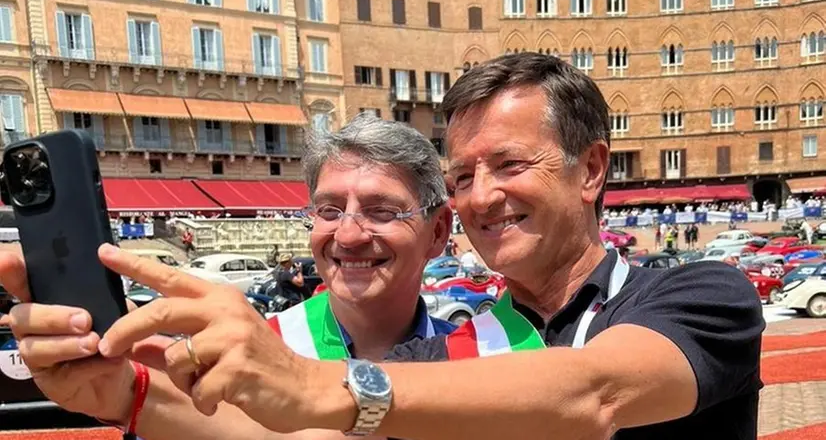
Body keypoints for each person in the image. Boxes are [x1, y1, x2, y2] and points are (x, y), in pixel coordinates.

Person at [10, 53, 763, 439]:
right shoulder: (458, 351)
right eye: (463, 175)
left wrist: (319, 388)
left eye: (508, 165)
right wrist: (134, 397)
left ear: (591, 168)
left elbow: (596, 393)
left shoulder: (701, 294)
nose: (481, 196)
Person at [0, 113, 457, 439]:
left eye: (381, 211)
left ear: (438, 232)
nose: (349, 234)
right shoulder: (237, 353)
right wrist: (124, 394)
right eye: (329, 210)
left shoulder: (488, 355)